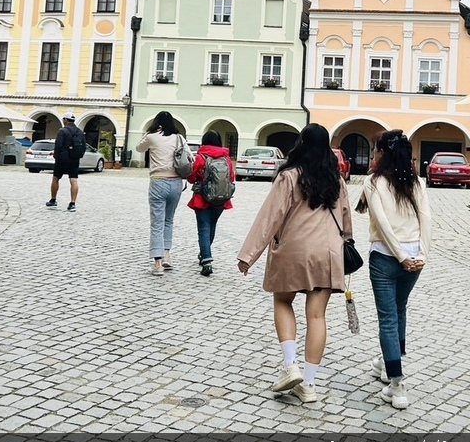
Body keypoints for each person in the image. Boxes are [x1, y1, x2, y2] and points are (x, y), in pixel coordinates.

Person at [237, 123, 352, 405]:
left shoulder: (289, 177)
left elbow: (270, 217)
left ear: (301, 144)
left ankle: (290, 365)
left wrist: (248, 255)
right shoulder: (336, 180)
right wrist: (345, 247)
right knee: (317, 316)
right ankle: (309, 385)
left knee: (283, 302)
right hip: (327, 254)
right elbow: (346, 222)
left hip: (293, 250)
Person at [359, 129, 432, 410]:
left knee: (388, 318)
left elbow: (381, 223)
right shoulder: (417, 183)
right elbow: (426, 219)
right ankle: (386, 361)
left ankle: (397, 383)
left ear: (382, 153)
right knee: (399, 311)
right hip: (414, 258)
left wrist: (400, 255)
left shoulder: (374, 182)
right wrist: (421, 254)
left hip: (387, 257)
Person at [135, 111, 186, 275]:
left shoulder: (152, 136)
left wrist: (149, 133)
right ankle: (167, 256)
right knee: (168, 220)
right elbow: (189, 158)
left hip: (158, 181)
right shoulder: (179, 138)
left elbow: (139, 148)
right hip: (176, 182)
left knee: (157, 222)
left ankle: (157, 264)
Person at [186, 131, 235, 277]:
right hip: (221, 198)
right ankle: (204, 254)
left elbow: (191, 177)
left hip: (202, 198)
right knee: (211, 226)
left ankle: (207, 261)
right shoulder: (226, 158)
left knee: (203, 229)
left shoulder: (201, 157)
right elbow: (231, 177)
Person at [48, 113, 83, 212]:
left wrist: (56, 156)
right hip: (75, 159)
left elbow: (58, 145)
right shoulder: (80, 132)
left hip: (62, 159)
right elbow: (83, 147)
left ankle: (53, 200)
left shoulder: (62, 131)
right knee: (74, 180)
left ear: (65, 120)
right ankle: (72, 203)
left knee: (56, 178)